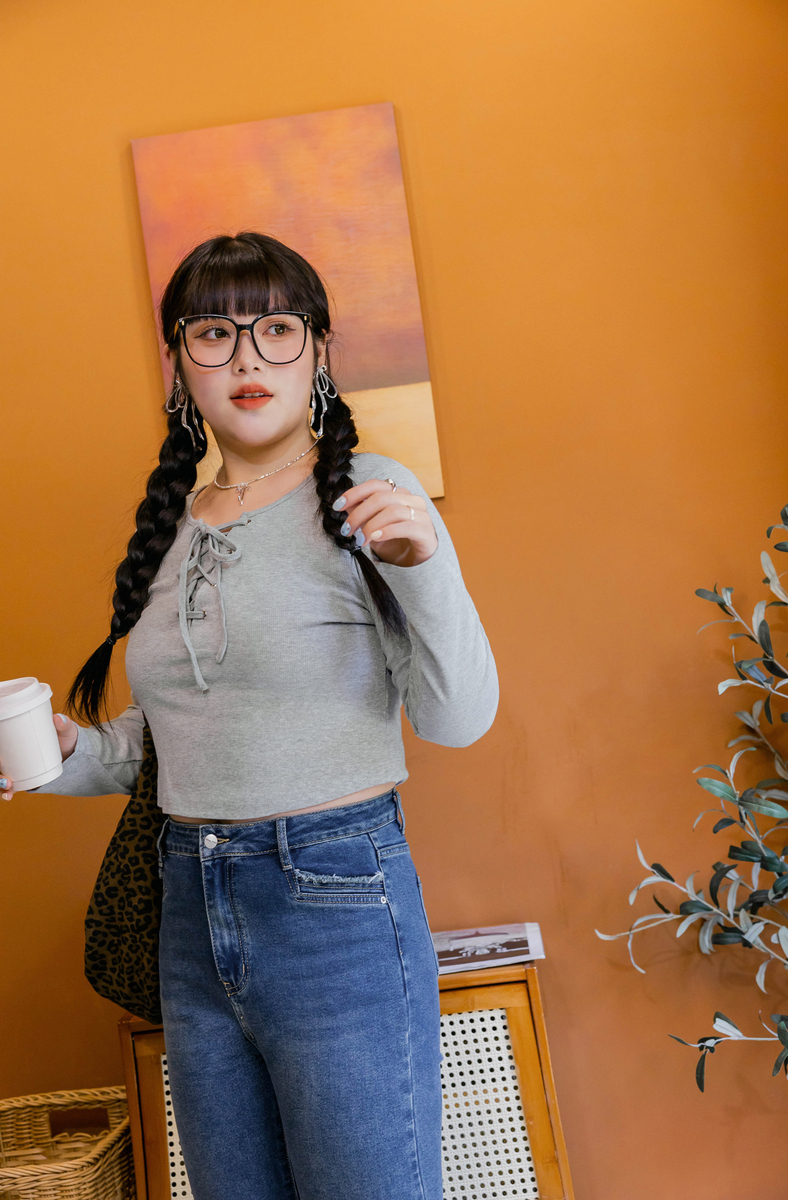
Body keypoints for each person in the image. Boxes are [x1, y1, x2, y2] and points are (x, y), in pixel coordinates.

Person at [1, 232, 498, 1200]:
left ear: (318, 350)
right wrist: (66, 753)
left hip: (335, 901)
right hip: (190, 906)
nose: (246, 357)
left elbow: (457, 718)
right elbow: (166, 739)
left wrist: (426, 565)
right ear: (178, 363)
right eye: (213, 332)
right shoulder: (176, 526)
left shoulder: (368, 494)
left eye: (276, 328)